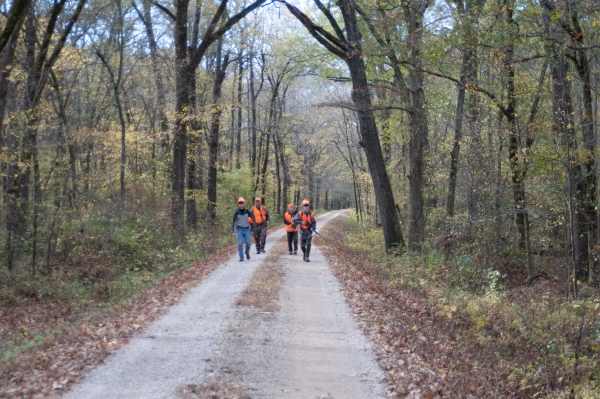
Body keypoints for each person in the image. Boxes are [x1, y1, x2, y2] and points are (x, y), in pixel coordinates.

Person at [232, 197, 253, 261]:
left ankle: (247, 253)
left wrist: (252, 230)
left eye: (242, 203)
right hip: (239, 230)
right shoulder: (236, 213)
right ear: (238, 204)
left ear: (244, 203)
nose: (241, 204)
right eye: (239, 203)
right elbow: (234, 222)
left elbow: (251, 221)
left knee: (248, 243)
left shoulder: (248, 212)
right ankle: (241, 256)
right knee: (240, 243)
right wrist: (234, 231)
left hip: (247, 229)